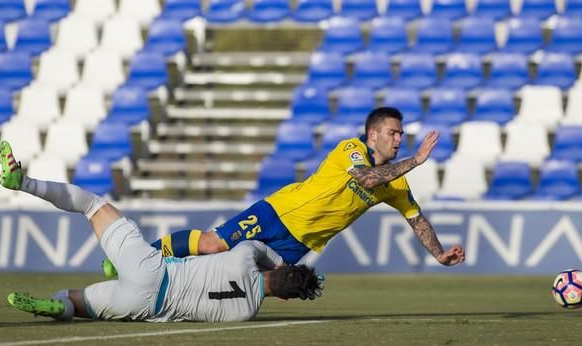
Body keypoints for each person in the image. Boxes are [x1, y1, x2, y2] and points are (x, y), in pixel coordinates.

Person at [103, 107, 465, 277]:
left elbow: (416, 220)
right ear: (372, 135)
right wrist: (418, 159)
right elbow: (367, 178)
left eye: (401, 134)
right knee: (213, 245)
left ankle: (167, 285)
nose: (399, 139)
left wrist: (438, 254)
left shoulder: (398, 183)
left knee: (245, 279)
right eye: (393, 133)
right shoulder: (350, 150)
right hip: (279, 213)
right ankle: (141, 256)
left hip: (300, 244)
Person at [0, 141, 324, 323]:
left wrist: (279, 264)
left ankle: (23, 183)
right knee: (74, 300)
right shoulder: (245, 313)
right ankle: (57, 305)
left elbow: (256, 252)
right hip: (146, 307)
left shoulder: (245, 255)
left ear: (281, 271)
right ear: (282, 298)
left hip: (153, 269)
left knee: (93, 206)